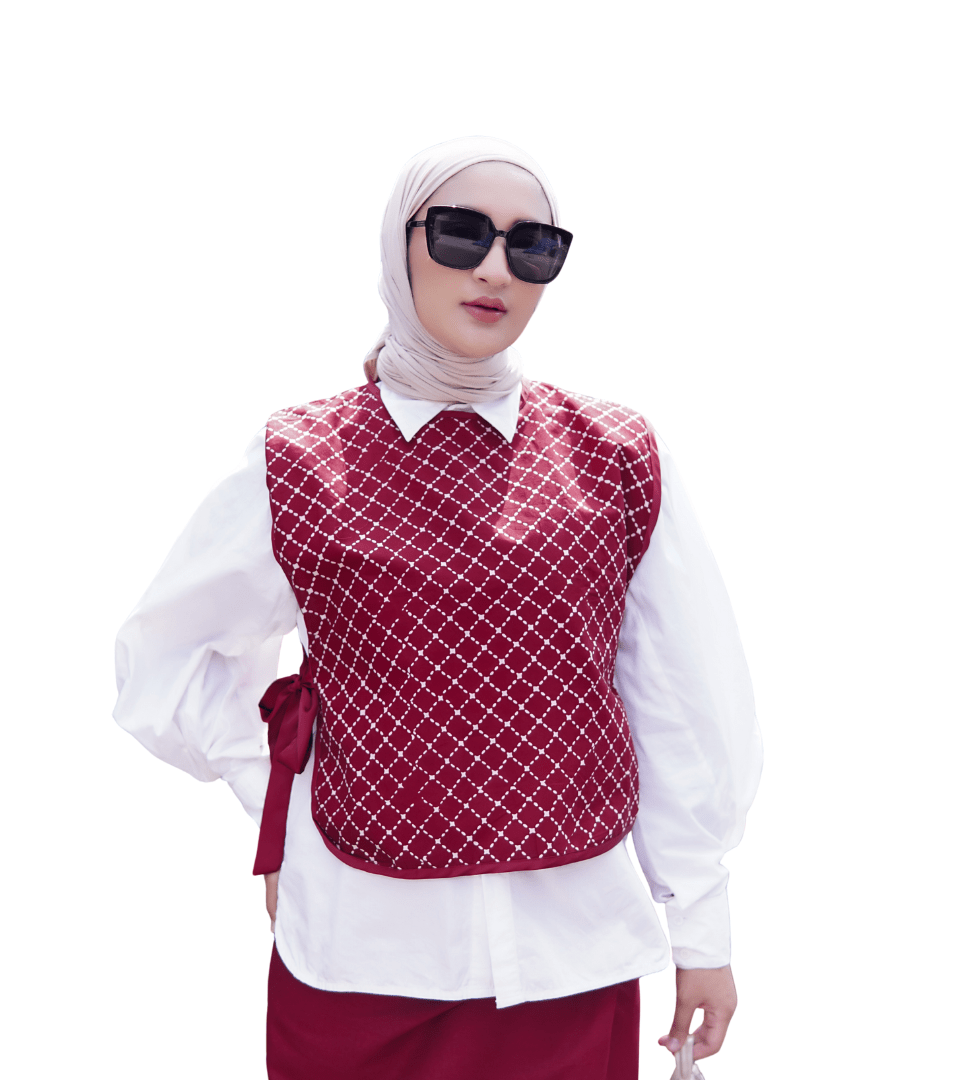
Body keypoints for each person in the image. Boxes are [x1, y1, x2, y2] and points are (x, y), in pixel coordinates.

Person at [113, 136, 762, 1080]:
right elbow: (164, 659)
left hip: (569, 958)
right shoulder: (300, 460)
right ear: (400, 243)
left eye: (532, 246)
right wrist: (285, 802)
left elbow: (676, 707)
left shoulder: (616, 457)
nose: (496, 269)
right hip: (359, 959)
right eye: (461, 234)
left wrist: (701, 927)